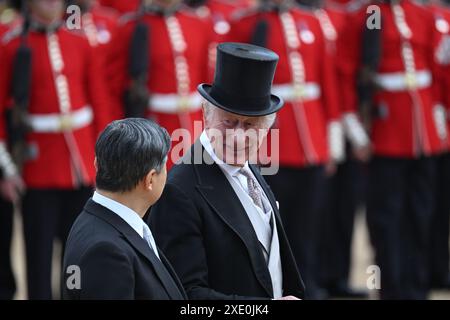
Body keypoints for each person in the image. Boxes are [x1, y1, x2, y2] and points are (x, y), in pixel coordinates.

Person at [150, 42, 304, 300]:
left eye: (250, 125)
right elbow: (187, 296)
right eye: (228, 122)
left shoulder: (249, 168)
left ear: (267, 128)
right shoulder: (179, 191)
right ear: (205, 115)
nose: (237, 137)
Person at [0, 0, 116, 299]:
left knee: (77, 254)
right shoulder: (10, 46)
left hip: (81, 163)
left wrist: (107, 155)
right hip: (38, 169)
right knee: (38, 257)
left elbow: (98, 101)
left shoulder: (79, 43)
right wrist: (7, 170)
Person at [227, 0, 343, 299]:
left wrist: (332, 134)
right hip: (273, 138)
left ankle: (309, 283)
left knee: (310, 220)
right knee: (273, 224)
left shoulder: (312, 21)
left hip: (312, 138)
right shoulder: (245, 23)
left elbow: (326, 78)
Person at [63, 118, 186, 300]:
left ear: (97, 165)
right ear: (150, 179)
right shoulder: (107, 253)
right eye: (164, 166)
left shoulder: (97, 223)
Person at [106, 0, 213, 168]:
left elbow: (207, 77)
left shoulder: (198, 22)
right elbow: (115, 87)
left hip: (196, 122)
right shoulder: (131, 26)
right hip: (155, 123)